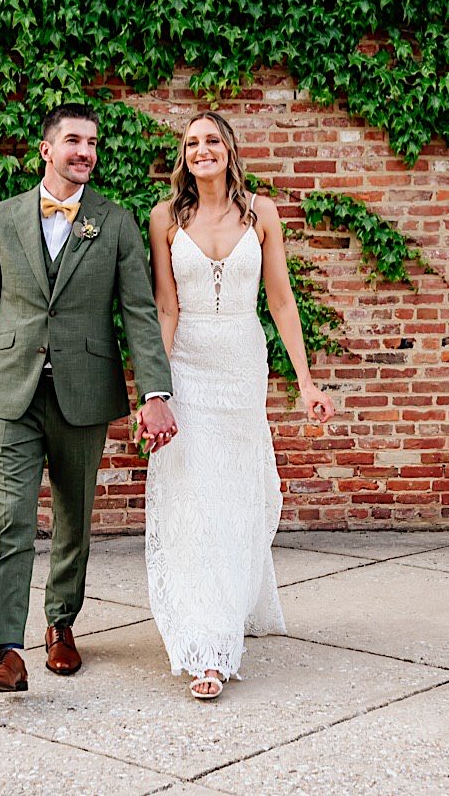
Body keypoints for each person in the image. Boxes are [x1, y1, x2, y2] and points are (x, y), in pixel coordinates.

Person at [0, 102, 177, 694]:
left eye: (93, 143)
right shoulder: (0, 219)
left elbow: (139, 313)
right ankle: (5, 650)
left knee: (74, 518)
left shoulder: (116, 222)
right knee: (12, 518)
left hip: (84, 390)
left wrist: (154, 391)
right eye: (74, 141)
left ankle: (60, 626)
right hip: (10, 390)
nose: (86, 152)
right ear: (46, 149)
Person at [144, 110, 335, 700]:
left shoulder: (262, 214)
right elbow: (166, 308)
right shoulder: (164, 219)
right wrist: (156, 390)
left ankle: (228, 608)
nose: (202, 150)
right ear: (185, 155)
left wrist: (305, 382)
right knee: (192, 495)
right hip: (190, 369)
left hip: (241, 365)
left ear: (229, 149)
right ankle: (208, 645)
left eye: (212, 140)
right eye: (192, 142)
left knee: (234, 492)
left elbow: (280, 302)